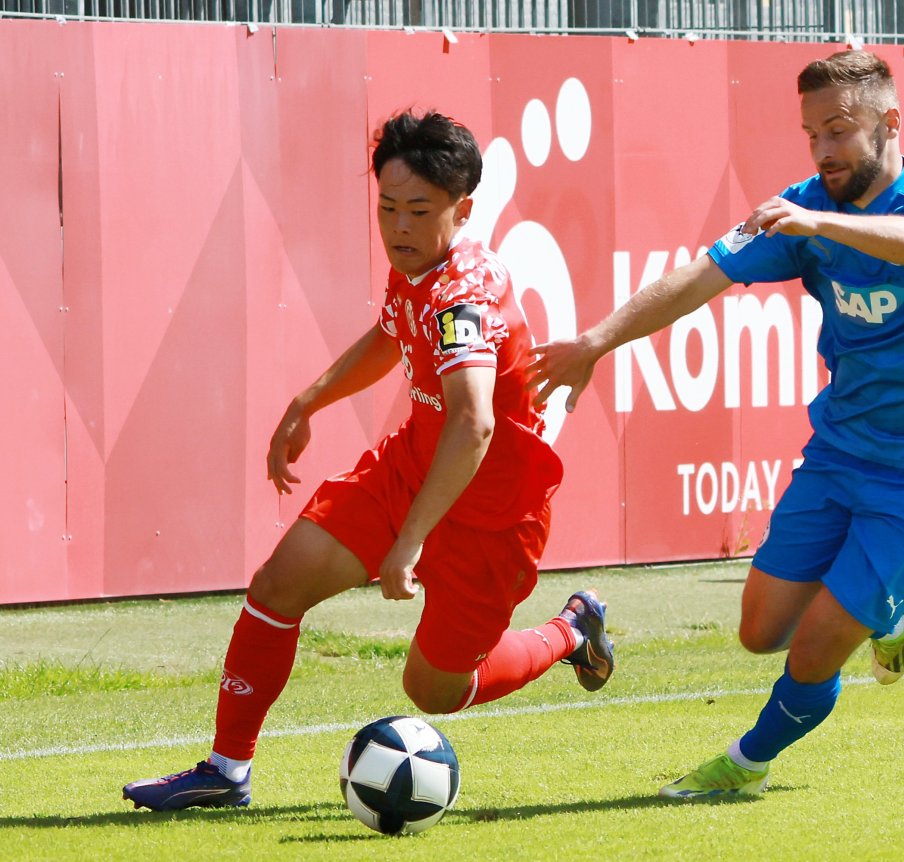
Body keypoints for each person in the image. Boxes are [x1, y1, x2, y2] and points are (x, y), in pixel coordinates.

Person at [527, 50, 904, 798]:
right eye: (812, 134)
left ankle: (745, 764)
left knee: (810, 652)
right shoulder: (805, 205)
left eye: (838, 130)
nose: (823, 151)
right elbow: (700, 276)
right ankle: (894, 605)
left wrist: (819, 223)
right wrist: (595, 342)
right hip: (840, 453)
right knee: (759, 631)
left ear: (892, 122)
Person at [122, 110, 614, 812]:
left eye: (419, 210)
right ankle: (226, 772)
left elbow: (473, 423)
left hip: (492, 514)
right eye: (387, 207)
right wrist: (309, 400)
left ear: (463, 210)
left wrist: (409, 540)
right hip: (411, 469)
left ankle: (570, 630)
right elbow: (390, 335)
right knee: (277, 587)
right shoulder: (418, 272)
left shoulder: (462, 297)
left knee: (434, 691)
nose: (398, 227)